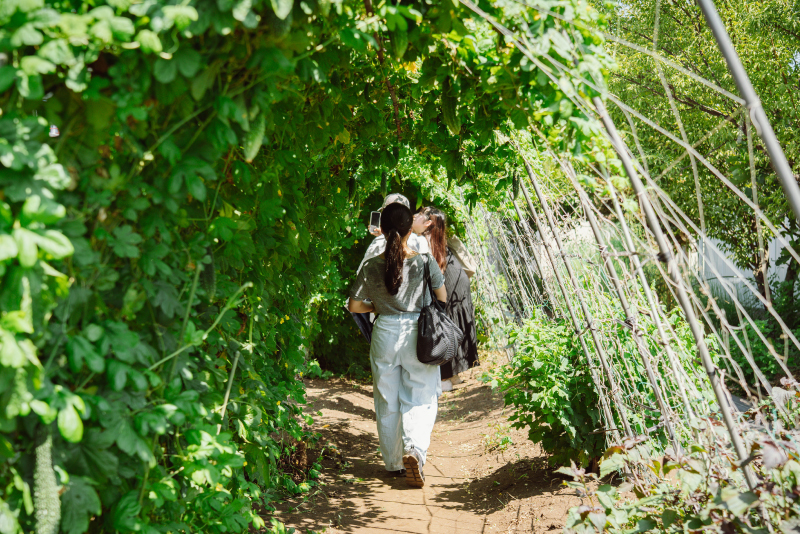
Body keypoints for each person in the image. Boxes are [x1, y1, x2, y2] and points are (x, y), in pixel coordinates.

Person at [348, 203, 447, 488]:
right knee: (422, 394)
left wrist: (379, 304)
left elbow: (355, 304)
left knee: (386, 399)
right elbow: (441, 297)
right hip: (418, 333)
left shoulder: (370, 265)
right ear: (407, 229)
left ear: (383, 228)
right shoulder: (424, 261)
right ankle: (414, 449)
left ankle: (393, 463)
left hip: (384, 332)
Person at [412, 207, 479, 392]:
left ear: (428, 223)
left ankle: (446, 378)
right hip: (457, 282)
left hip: (449, 284)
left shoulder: (422, 239)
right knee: (450, 323)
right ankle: (453, 375)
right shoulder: (437, 235)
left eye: (418, 215)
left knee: (443, 323)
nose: (413, 216)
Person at [349, 193, 429, 343]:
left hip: (385, 326)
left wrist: (373, 307)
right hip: (420, 326)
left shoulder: (378, 244)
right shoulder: (422, 242)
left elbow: (362, 280)